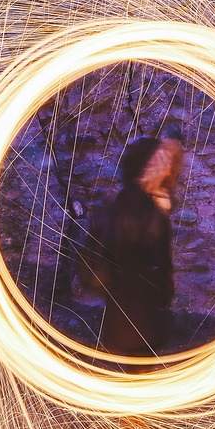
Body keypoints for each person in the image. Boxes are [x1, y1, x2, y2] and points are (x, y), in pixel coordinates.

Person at [80, 136, 183, 356]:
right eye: (159, 163)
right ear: (144, 166)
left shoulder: (150, 203)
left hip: (144, 307)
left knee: (139, 365)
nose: (165, 171)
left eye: (167, 165)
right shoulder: (136, 206)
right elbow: (136, 249)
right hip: (133, 307)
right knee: (137, 365)